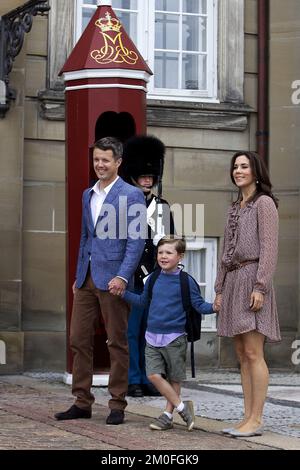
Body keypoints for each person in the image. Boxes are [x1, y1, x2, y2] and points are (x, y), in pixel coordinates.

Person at [55, 137, 146, 425]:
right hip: (86, 279)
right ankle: (82, 401)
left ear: (118, 162)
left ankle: (117, 403)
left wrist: (123, 275)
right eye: (96, 159)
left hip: (114, 280)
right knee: (78, 339)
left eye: (105, 160)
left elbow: (136, 240)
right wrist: (77, 276)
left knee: (117, 342)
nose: (100, 165)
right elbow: (85, 237)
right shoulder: (87, 194)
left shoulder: (132, 194)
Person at [213, 151, 281, 437]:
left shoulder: (264, 204)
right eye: (235, 167)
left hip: (253, 280)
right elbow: (224, 252)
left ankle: (257, 419)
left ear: (256, 171)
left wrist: (260, 286)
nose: (238, 170)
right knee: (241, 353)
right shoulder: (235, 207)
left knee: (254, 352)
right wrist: (219, 288)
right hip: (233, 281)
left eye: (244, 166)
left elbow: (269, 248)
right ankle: (246, 417)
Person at [119, 235, 214, 431]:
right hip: (152, 337)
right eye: (160, 252)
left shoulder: (186, 282)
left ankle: (168, 415)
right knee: (153, 375)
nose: (163, 256)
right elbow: (142, 302)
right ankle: (182, 407)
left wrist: (216, 307)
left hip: (175, 338)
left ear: (180, 256)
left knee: (174, 378)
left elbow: (199, 305)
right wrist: (123, 293)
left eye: (168, 253)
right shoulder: (152, 278)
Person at [120, 135, 175, 397]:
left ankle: (149, 377)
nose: (147, 179)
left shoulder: (163, 207)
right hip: (132, 279)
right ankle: (133, 378)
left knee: (151, 333)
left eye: (150, 175)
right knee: (132, 331)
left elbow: (171, 243)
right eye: (142, 175)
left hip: (156, 278)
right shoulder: (124, 205)